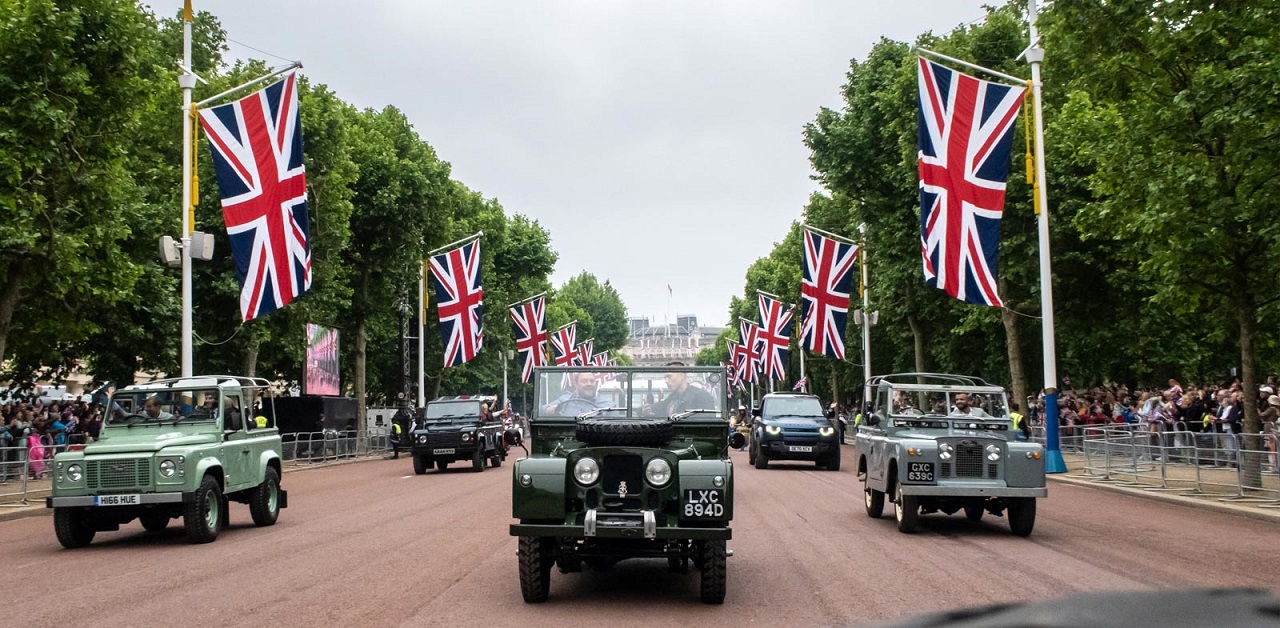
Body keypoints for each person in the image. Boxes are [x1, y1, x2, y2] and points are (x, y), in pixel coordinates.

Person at [650, 364, 717, 416]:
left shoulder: (702, 396)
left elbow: (707, 423)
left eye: (669, 376)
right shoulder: (672, 397)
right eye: (665, 377)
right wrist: (645, 409)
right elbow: (660, 407)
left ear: (682, 375)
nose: (666, 381)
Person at [544, 372, 613, 416]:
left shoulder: (608, 405)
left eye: (592, 381)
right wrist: (550, 410)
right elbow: (541, 410)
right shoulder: (565, 400)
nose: (589, 384)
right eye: (584, 381)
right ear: (576, 385)